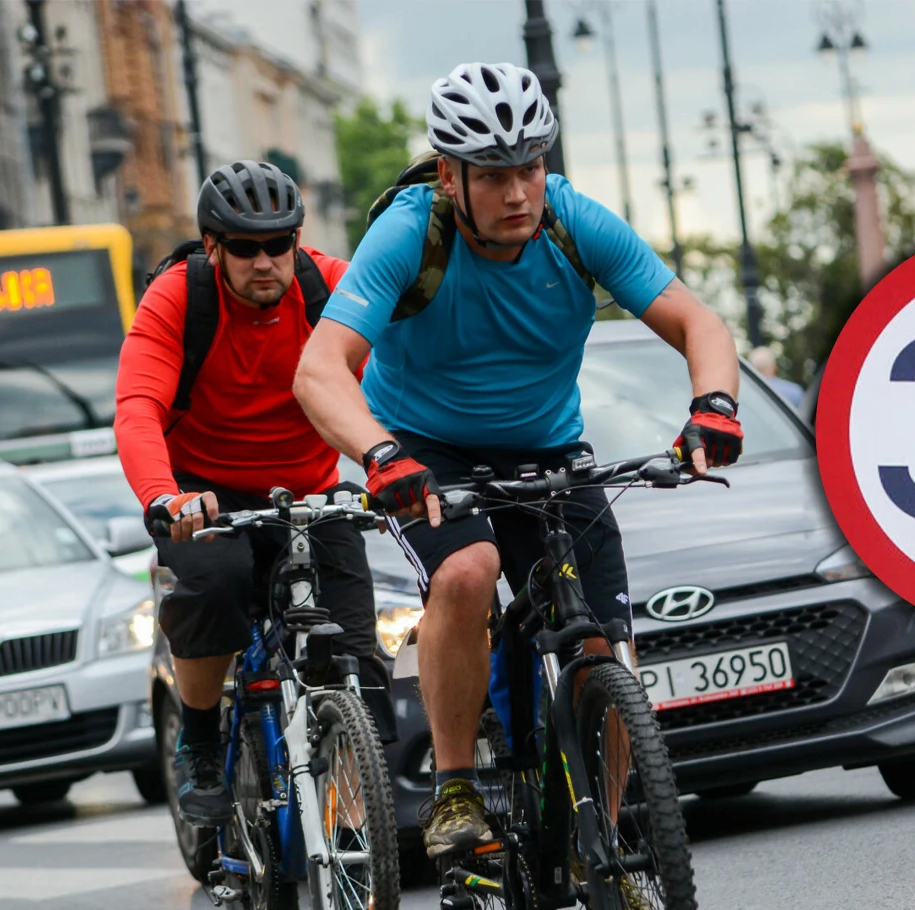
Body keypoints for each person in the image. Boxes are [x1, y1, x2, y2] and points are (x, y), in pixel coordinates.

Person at [293, 62, 744, 859]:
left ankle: (602, 840)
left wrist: (713, 405)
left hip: (547, 449)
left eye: (530, 168)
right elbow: (320, 369)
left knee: (601, 646)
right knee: (468, 572)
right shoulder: (410, 233)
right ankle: (456, 791)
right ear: (450, 176)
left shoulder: (574, 223)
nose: (518, 193)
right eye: (495, 175)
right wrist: (381, 454)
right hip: (425, 450)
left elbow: (696, 321)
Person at [114, 160, 396, 827]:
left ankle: (361, 814)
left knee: (357, 649)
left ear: (297, 240)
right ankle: (202, 741)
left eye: (278, 244)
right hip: (203, 496)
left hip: (307, 490)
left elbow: (397, 376)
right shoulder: (179, 299)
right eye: (244, 247)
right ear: (213, 247)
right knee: (214, 582)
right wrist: (164, 496)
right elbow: (137, 408)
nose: (264, 261)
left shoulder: (330, 286)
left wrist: (399, 463)